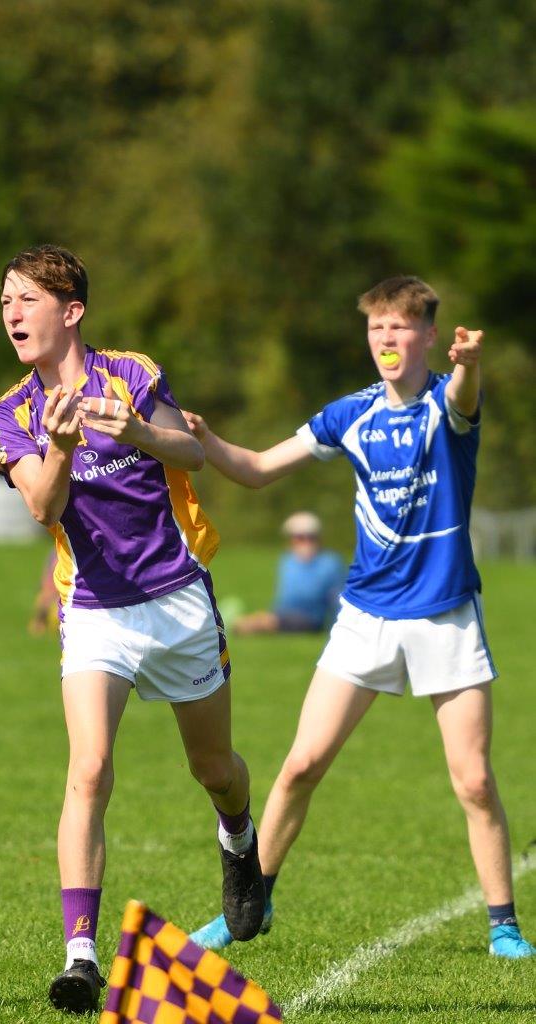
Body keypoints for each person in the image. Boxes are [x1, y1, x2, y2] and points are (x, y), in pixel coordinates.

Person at [184, 276, 534, 959]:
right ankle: (247, 905)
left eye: (401, 328)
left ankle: (503, 926)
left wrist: (470, 368)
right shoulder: (350, 414)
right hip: (365, 615)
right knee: (299, 765)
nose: (386, 339)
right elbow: (255, 469)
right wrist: (209, 440)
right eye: (377, 328)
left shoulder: (445, 402)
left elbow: (464, 399)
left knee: (473, 778)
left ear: (428, 336)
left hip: (443, 615)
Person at [0, 245, 265, 1016]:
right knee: (88, 769)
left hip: (177, 602)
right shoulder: (10, 412)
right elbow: (42, 507)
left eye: (25, 299)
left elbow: (189, 452)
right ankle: (80, 956)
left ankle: (238, 839)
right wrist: (65, 444)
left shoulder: (130, 372)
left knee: (214, 770)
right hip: (95, 610)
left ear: (69, 311)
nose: (10, 312)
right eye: (4, 300)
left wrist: (134, 428)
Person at [232, 512, 346, 636]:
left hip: (309, 618)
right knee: (265, 618)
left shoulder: (330, 562)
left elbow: (334, 598)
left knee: (263, 622)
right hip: (281, 614)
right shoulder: (287, 560)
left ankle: (236, 625)